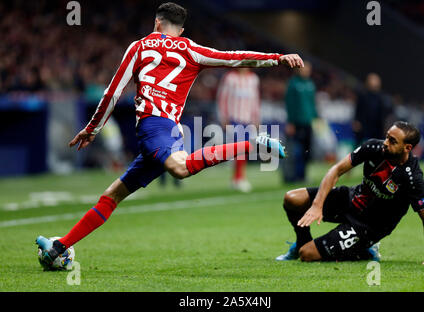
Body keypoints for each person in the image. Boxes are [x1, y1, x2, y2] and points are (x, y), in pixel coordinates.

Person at [36, 2, 304, 267]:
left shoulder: (138, 46)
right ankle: (58, 247)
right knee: (112, 196)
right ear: (182, 29)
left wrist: (92, 128)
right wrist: (277, 58)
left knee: (180, 169)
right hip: (168, 129)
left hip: (154, 127)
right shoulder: (192, 49)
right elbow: (234, 57)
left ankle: (250, 144)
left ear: (156, 23)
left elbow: (113, 92)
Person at [276, 121, 424, 264]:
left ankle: (364, 250)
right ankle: (301, 242)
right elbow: (336, 170)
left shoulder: (412, 177)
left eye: (392, 141)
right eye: (387, 137)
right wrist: (317, 205)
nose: (385, 142)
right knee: (292, 199)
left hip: (366, 226)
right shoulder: (373, 147)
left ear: (407, 148)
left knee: (308, 254)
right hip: (351, 199)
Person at [216, 68, 261, 192]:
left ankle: (237, 178)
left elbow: (255, 100)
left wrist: (256, 118)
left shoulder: (253, 79)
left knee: (244, 149)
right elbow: (222, 98)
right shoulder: (230, 78)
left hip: (248, 119)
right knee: (239, 148)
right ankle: (239, 178)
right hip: (234, 118)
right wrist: (223, 117)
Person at [283, 61, 317, 182]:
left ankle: (302, 175)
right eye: (304, 69)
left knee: (307, 151)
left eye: (308, 69)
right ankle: (292, 175)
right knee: (295, 151)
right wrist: (290, 122)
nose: (307, 71)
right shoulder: (293, 84)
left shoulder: (310, 84)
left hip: (309, 122)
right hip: (296, 123)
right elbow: (289, 103)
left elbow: (313, 104)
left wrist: (316, 118)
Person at [353, 73, 392, 145]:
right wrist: (356, 121)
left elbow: (386, 114)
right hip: (363, 126)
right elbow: (358, 110)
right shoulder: (363, 95)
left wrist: (386, 126)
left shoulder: (382, 98)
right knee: (360, 144)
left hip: (377, 127)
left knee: (376, 145)